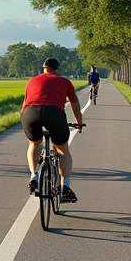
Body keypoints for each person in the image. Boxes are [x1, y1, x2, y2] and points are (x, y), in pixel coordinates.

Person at [21, 58, 84, 202]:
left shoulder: (32, 81)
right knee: (63, 150)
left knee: (34, 143)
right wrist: (79, 123)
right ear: (57, 69)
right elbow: (74, 104)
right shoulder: (65, 82)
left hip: (30, 113)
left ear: (44, 68)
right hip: (54, 114)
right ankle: (65, 187)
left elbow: (24, 105)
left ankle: (34, 176)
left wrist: (24, 122)